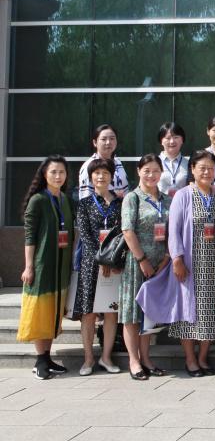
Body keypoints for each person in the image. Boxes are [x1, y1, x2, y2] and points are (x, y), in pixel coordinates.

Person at [167, 150, 215, 377]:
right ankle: (190, 359)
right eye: (202, 168)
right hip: (189, 262)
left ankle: (203, 358)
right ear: (192, 169)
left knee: (209, 309)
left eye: (211, 168)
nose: (207, 172)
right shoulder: (183, 195)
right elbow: (173, 230)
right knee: (188, 309)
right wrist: (177, 259)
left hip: (213, 262)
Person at [19, 156, 74, 380]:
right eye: (53, 172)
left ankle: (48, 357)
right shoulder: (38, 200)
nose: (58, 176)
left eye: (62, 172)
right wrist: (29, 266)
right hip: (42, 264)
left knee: (53, 311)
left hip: (61, 266)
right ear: (44, 174)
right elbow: (30, 236)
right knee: (41, 312)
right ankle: (40, 360)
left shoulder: (65, 199)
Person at [120, 154, 171, 380]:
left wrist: (166, 259)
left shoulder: (167, 200)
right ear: (138, 172)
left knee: (149, 313)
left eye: (156, 171)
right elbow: (127, 231)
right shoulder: (132, 198)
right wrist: (142, 260)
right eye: (147, 170)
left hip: (160, 265)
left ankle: (147, 359)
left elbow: (173, 231)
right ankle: (134, 361)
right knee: (132, 313)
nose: (151, 175)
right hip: (137, 264)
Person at [71, 158, 123, 376]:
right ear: (91, 177)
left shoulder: (120, 203)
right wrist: (101, 260)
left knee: (111, 311)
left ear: (112, 176)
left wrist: (112, 260)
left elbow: (122, 234)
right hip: (91, 265)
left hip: (114, 264)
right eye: (97, 173)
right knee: (89, 312)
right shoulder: (84, 204)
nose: (101, 177)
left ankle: (106, 357)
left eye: (105, 173)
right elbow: (85, 235)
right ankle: (88, 359)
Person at [77, 124, 129, 199]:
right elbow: (85, 198)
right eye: (103, 139)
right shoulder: (89, 166)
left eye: (112, 138)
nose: (108, 142)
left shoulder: (117, 162)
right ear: (95, 142)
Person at [158, 122, 189, 197]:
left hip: (183, 203)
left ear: (182, 140)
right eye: (168, 138)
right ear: (161, 141)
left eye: (176, 137)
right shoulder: (154, 162)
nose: (172, 141)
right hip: (158, 203)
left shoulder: (189, 163)